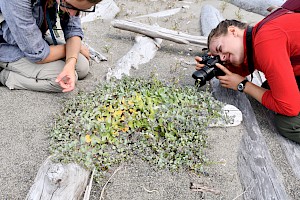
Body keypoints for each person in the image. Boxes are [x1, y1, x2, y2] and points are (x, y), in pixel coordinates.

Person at [195, 12, 300, 143]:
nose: (222, 57)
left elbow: (289, 107)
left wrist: (243, 85)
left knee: (288, 123)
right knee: (270, 89)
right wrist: (214, 68)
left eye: (220, 48)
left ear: (233, 31)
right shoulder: (260, 34)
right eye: (219, 58)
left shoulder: (265, 42)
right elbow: (244, 68)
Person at [0, 0, 102, 93]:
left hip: (32, 41)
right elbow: (38, 54)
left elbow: (73, 29)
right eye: (69, 5)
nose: (72, 13)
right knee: (63, 81)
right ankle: (5, 76)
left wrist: (70, 62)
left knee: (82, 67)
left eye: (80, 10)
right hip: (7, 47)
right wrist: (74, 48)